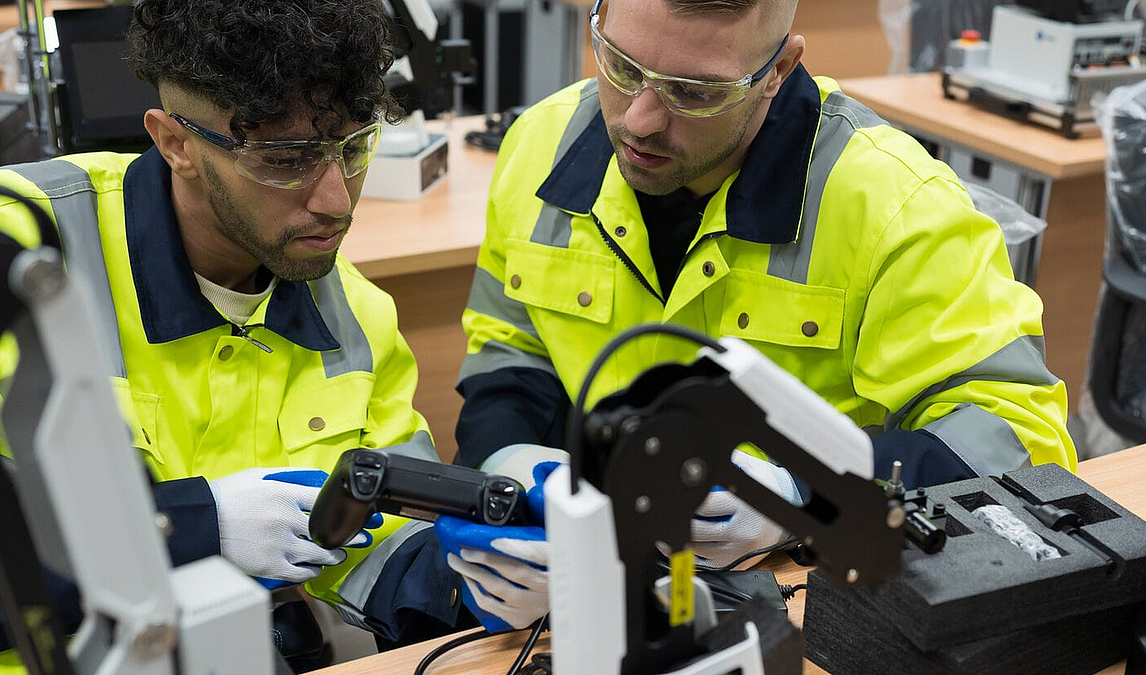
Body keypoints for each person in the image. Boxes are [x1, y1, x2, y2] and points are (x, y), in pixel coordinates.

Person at [0, 1, 477, 672]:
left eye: (353, 147)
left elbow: (378, 528)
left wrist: (472, 577)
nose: (336, 199)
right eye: (284, 158)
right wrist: (188, 529)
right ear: (174, 141)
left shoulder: (354, 312)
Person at [442, 0, 1078, 631]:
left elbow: (1020, 440)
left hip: (802, 594)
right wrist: (510, 477)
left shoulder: (896, 206)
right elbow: (510, 353)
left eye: (695, 92)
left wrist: (803, 496)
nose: (639, 119)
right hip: (598, 592)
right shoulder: (539, 145)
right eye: (621, 65)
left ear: (779, 68)